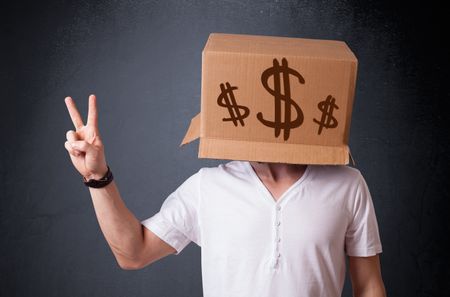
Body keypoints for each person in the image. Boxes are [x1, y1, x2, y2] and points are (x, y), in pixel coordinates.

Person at [64, 94, 387, 297]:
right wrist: (97, 176)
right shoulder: (208, 186)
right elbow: (132, 254)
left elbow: (369, 286)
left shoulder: (348, 184)